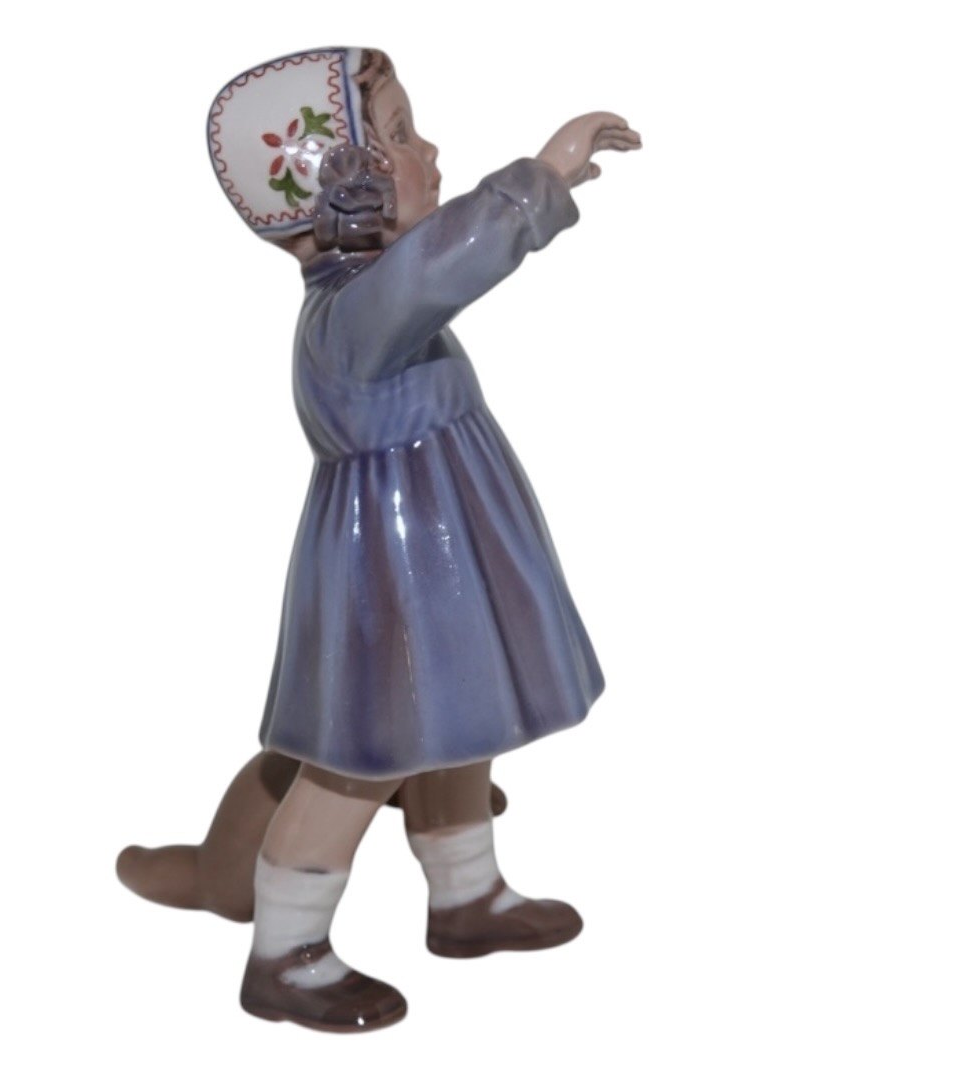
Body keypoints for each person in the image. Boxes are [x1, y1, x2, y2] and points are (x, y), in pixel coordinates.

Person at [122, 47, 640, 1033]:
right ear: (340, 184)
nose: (429, 149)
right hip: (389, 571)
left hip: (448, 548)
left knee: (464, 724)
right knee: (361, 759)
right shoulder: (356, 313)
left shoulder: (369, 298)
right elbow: (448, 264)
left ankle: (466, 894)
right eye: (399, 136)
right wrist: (542, 176)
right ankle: (287, 950)